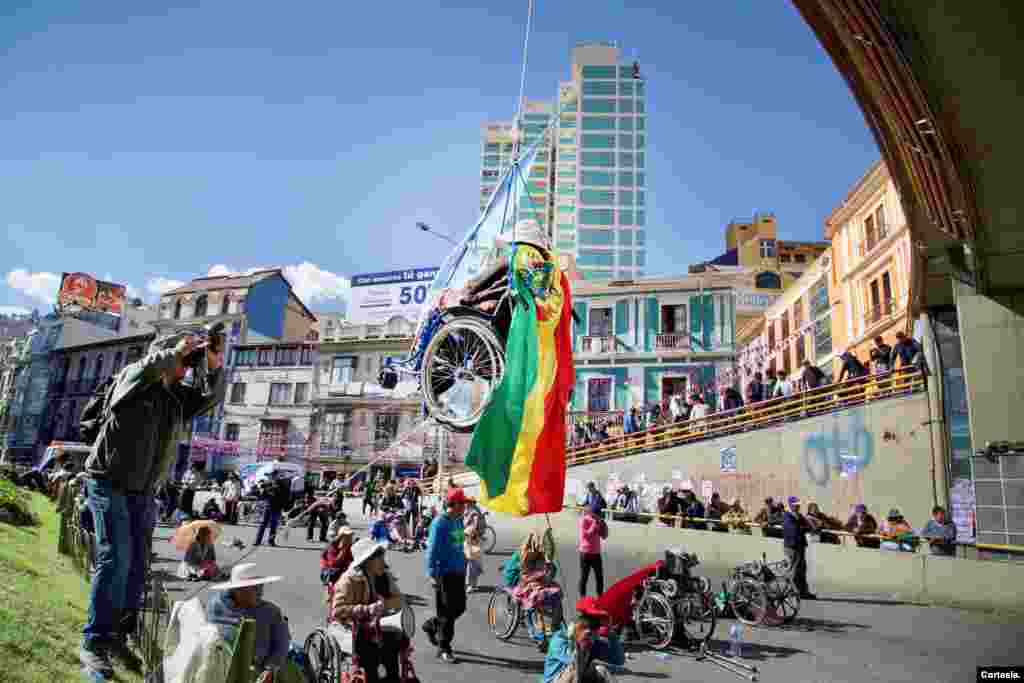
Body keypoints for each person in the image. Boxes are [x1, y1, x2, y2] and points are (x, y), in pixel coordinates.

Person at [79, 329, 226, 679]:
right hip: (107, 481)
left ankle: (121, 634)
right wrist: (177, 350)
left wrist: (213, 363)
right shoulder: (130, 380)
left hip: (143, 492)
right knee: (115, 557)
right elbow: (147, 367)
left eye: (188, 364)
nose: (185, 368)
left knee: (136, 564)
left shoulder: (176, 397)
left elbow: (210, 396)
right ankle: (95, 642)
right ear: (163, 356)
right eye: (182, 362)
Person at [330, 538, 411, 683]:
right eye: (379, 557)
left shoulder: (385, 576)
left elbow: (399, 599)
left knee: (394, 646)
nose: (383, 561)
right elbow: (337, 611)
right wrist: (366, 609)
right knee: (370, 658)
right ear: (366, 561)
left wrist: (383, 605)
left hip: (381, 627)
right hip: (355, 628)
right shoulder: (348, 580)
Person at [207, 563, 290, 676]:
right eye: (255, 588)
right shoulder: (216, 607)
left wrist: (269, 668)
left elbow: (281, 645)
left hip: (259, 671)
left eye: (261, 586)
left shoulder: (271, 612)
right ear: (238, 590)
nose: (261, 592)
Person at [422, 487, 468, 663]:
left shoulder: (458, 521)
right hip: (444, 573)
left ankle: (432, 625)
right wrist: (432, 573)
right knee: (447, 612)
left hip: (458, 571)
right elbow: (432, 550)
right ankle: (444, 647)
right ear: (454, 504)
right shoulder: (440, 523)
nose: (464, 506)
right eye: (462, 503)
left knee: (460, 607)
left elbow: (458, 545)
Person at [544, 597, 624, 683]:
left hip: (579, 677)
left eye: (596, 625)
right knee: (575, 670)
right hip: (556, 680)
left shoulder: (593, 641)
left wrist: (611, 634)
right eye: (590, 623)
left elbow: (618, 660)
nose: (593, 629)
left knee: (601, 670)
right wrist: (575, 640)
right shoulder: (560, 639)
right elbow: (574, 663)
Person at [782, 496, 815, 599]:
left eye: (798, 505)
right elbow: (793, 530)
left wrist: (807, 526)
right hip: (792, 546)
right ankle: (792, 591)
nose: (797, 507)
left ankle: (803, 592)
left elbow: (809, 527)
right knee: (794, 570)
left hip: (800, 545)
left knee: (802, 569)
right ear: (790, 505)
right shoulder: (787, 516)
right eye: (795, 505)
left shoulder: (799, 516)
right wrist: (803, 528)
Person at [578, 501, 606, 597]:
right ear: (592, 513)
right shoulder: (584, 520)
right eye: (596, 514)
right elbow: (585, 535)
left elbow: (604, 536)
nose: (598, 516)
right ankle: (582, 597)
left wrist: (603, 526)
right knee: (584, 576)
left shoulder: (599, 520)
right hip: (585, 553)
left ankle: (600, 597)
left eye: (599, 514)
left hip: (596, 553)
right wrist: (594, 524)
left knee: (599, 577)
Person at [254, 476, 291, 547]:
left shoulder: (281, 489)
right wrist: (262, 490)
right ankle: (260, 541)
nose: (273, 484)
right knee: (266, 525)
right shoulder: (273, 488)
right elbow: (262, 496)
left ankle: (267, 541)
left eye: (274, 483)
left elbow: (268, 496)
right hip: (270, 507)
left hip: (275, 508)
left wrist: (264, 490)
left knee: (271, 525)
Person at [322, 526, 355, 598]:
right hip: (332, 572)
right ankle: (331, 592)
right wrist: (343, 550)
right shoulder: (332, 546)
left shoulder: (350, 546)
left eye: (350, 536)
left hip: (343, 571)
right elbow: (334, 563)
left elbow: (354, 560)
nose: (349, 538)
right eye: (347, 536)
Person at [463, 496, 485, 593]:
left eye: (467, 502)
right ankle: (472, 584)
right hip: (471, 539)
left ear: (471, 503)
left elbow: (475, 525)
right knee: (472, 562)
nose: (465, 504)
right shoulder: (472, 511)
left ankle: (470, 584)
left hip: (472, 540)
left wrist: (473, 534)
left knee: (471, 562)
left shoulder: (474, 512)